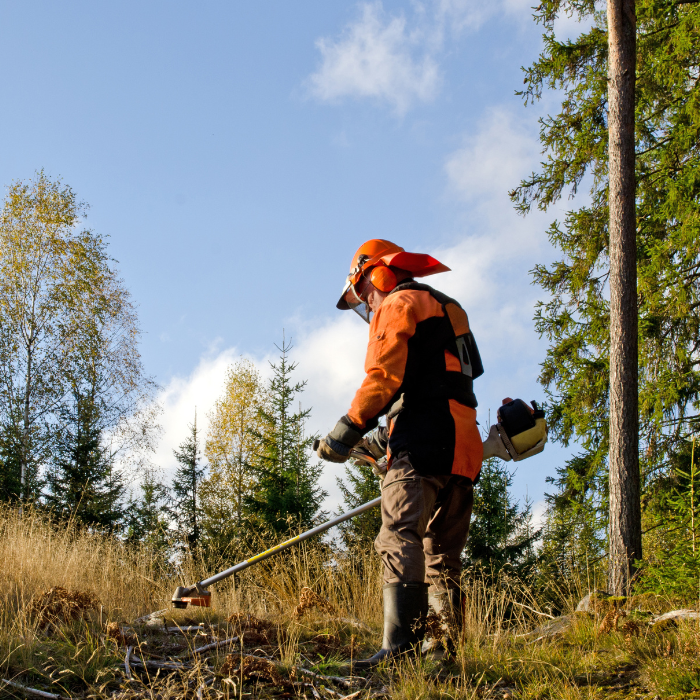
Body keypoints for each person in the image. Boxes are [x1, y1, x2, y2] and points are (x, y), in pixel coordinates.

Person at [316, 239, 484, 668]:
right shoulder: (449, 306)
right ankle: (441, 653)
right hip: (464, 447)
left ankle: (400, 649)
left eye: (364, 294)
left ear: (378, 275)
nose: (368, 306)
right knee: (441, 553)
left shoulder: (398, 303)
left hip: (423, 439)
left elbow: (383, 377)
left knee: (397, 536)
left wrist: (346, 431)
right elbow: (444, 377)